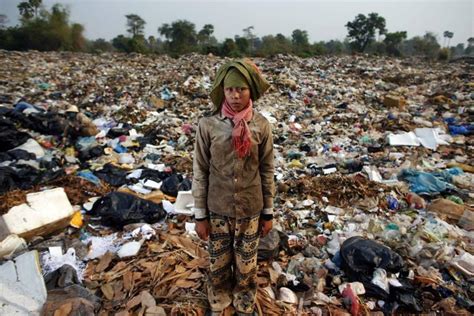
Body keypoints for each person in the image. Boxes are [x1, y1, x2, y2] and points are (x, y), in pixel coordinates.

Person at [192, 59, 275, 315]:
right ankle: (218, 303)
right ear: (223, 92)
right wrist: (199, 215)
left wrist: (268, 212)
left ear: (250, 90)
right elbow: (200, 171)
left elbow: (267, 170)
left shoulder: (261, 125)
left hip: (250, 208)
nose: (235, 95)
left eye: (241, 89)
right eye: (230, 90)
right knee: (218, 264)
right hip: (217, 209)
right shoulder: (208, 125)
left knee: (247, 266)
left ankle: (244, 304)